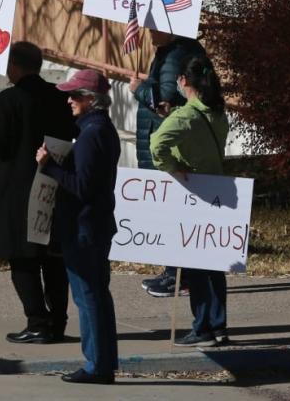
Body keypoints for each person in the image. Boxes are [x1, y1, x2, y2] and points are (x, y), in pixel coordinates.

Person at [0, 41, 77, 344]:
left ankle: (37, 322)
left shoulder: (6, 101)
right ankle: (57, 322)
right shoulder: (60, 97)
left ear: (14, 66)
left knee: (23, 258)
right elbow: (71, 132)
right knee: (52, 258)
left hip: (17, 189)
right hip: (53, 183)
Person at [37, 69, 121, 384]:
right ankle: (103, 362)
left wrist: (50, 167)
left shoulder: (92, 134)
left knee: (89, 296)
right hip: (94, 224)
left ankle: (97, 365)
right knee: (96, 294)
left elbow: (82, 186)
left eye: (74, 95)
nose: (69, 100)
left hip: (84, 226)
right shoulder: (99, 129)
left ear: (90, 99)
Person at [150, 56, 230, 347]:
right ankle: (218, 326)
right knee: (215, 267)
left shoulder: (184, 117)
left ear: (184, 81)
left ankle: (202, 328)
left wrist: (172, 167)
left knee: (196, 268)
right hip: (219, 190)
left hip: (194, 192)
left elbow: (157, 145)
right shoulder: (218, 113)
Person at [130, 31, 206, 298]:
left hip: (164, 141)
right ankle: (174, 272)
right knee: (170, 212)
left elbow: (163, 98)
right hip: (162, 138)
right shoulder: (172, 52)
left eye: (153, 27)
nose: (148, 33)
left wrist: (138, 89)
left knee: (171, 212)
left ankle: (177, 275)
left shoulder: (175, 54)